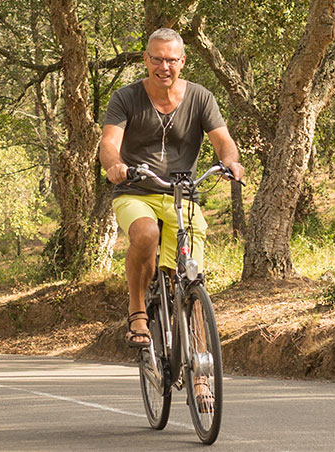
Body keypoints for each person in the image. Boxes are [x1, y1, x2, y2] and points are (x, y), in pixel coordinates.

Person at [99, 28, 245, 348]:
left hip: (181, 194)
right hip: (136, 190)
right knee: (146, 233)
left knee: (191, 282)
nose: (163, 67)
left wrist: (230, 162)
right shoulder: (126, 98)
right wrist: (115, 165)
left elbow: (223, 140)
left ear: (182, 61)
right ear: (145, 59)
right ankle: (137, 308)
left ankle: (201, 375)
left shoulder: (200, 97)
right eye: (156, 59)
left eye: (171, 60)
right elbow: (109, 142)